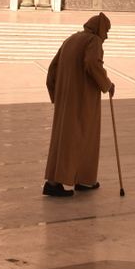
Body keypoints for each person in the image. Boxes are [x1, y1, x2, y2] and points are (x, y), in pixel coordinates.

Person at [43, 12, 116, 197]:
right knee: (80, 138)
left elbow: (52, 69)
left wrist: (56, 95)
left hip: (66, 99)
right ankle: (60, 182)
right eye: (106, 31)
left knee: (66, 138)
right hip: (83, 100)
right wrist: (107, 85)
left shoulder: (71, 39)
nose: (106, 36)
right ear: (99, 29)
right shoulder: (93, 41)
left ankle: (82, 178)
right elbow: (92, 63)